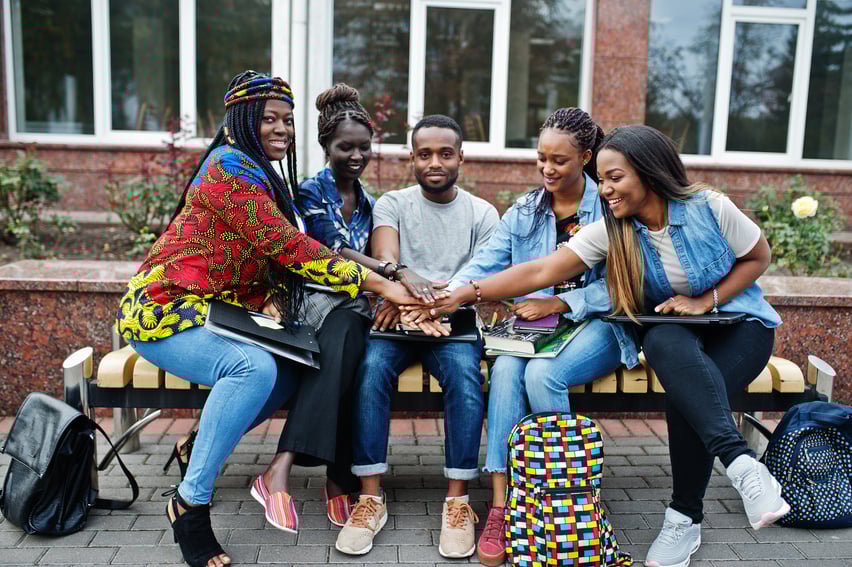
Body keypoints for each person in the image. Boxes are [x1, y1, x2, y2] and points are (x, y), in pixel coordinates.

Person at [422, 124, 789, 567]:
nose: (606, 189)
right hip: (676, 329)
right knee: (663, 344)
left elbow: (758, 256)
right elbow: (541, 271)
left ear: (649, 173)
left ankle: (685, 515)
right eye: (603, 178)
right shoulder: (613, 229)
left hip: (740, 324)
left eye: (614, 178)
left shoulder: (709, 207)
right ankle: (740, 470)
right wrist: (466, 292)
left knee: (688, 396)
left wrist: (705, 300)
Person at [116, 71, 418, 567]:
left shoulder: (263, 172)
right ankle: (189, 503)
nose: (281, 129)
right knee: (252, 369)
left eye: (287, 120)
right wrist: (383, 284)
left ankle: (197, 444)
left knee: (295, 368)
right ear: (241, 121)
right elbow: (289, 247)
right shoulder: (228, 170)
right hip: (163, 310)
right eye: (268, 119)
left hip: (220, 314)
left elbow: (274, 261)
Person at [446, 107, 628, 566]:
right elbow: (484, 265)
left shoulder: (611, 207)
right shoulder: (526, 210)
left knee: (542, 377)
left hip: (599, 325)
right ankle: (506, 507)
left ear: (586, 157)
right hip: (534, 329)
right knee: (506, 369)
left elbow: (627, 281)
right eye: (541, 158)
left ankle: (565, 496)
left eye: (560, 161)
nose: (547, 169)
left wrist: (564, 302)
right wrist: (444, 297)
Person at [255, 83, 436, 532]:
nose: (356, 156)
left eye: (363, 147)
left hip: (351, 310)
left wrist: (394, 283)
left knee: (353, 346)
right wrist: (394, 274)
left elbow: (378, 258)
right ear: (325, 147)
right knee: (350, 335)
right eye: (345, 147)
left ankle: (299, 468)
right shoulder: (309, 191)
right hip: (314, 305)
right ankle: (331, 477)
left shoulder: (370, 201)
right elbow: (332, 251)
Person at [334, 115, 500, 559]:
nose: (435, 162)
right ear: (413, 157)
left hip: (453, 321)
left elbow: (477, 275)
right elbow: (385, 256)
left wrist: (420, 302)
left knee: (466, 383)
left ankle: (458, 501)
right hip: (397, 318)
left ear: (461, 157)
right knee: (370, 373)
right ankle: (370, 497)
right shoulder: (393, 203)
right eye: (424, 153)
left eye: (445, 153)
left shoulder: (482, 213)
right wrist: (408, 291)